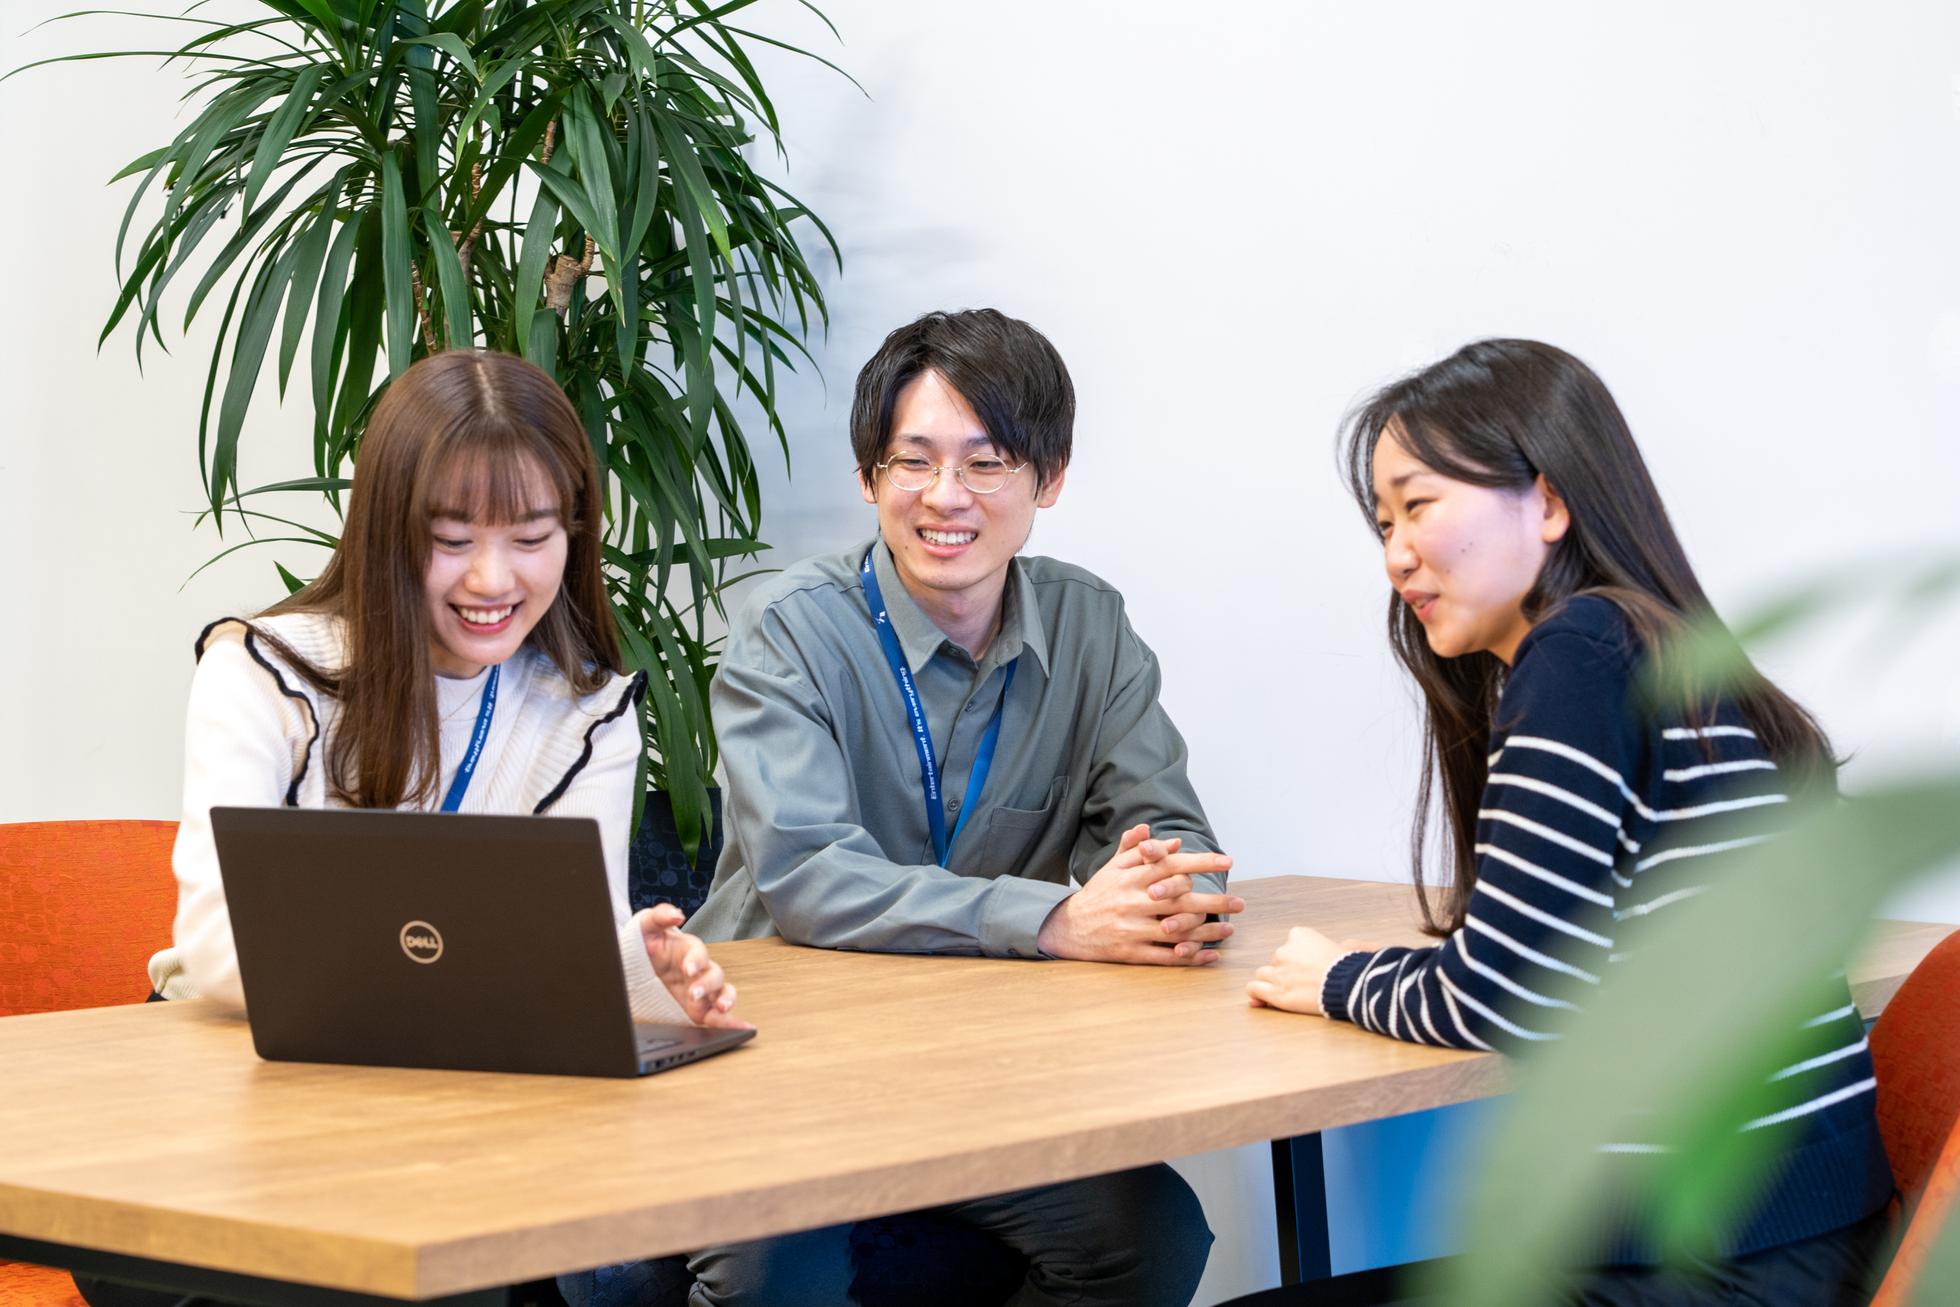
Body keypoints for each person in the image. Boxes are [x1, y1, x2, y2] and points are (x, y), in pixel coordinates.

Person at [1244, 339, 1893, 1304]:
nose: (1396, 555)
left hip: (1718, 1264)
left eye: (1418, 505)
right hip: (1801, 1239)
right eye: (1382, 522)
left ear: (1548, 502)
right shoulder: (1656, 650)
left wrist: (1334, 978)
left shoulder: (1579, 652)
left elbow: (1501, 995)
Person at [679, 309, 1241, 1306]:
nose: (946, 496)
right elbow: (811, 877)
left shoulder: (1090, 626)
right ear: (869, 477)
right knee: (773, 1272)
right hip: (780, 1063)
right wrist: (1056, 918)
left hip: (977, 1070)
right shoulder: (789, 632)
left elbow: (1167, 831)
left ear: (1048, 478)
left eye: (986, 463)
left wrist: (1167, 896)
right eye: (914, 460)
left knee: (1147, 1237)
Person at [144, 348, 745, 1027]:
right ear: (385, 533)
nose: (492, 580)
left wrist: (637, 970)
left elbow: (572, 945)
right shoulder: (258, 675)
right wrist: (509, 969)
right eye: (453, 540)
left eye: (531, 537)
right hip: (239, 1039)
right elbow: (219, 943)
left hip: (458, 1039)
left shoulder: (587, 715)